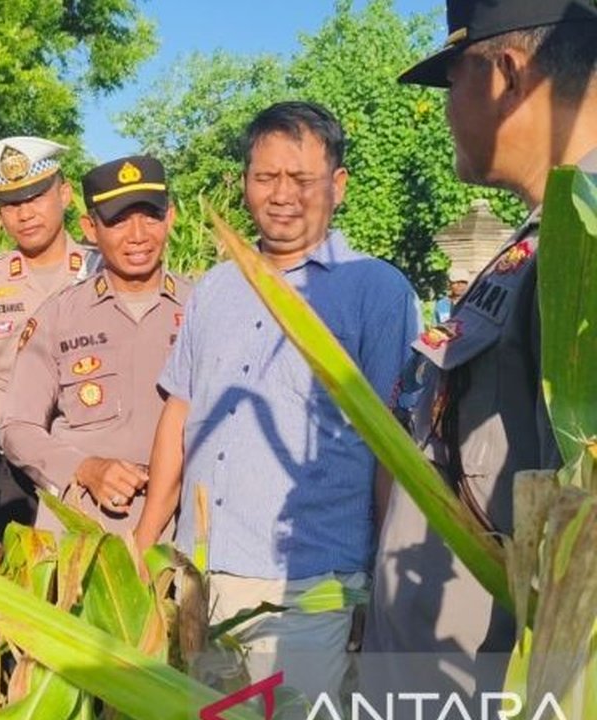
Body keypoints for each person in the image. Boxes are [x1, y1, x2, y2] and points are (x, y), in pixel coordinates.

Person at [131, 101, 421, 704]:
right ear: (245, 183)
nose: (281, 194)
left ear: (337, 185)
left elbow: (391, 449)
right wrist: (145, 539)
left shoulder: (378, 291)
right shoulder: (213, 288)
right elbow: (180, 414)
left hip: (309, 586)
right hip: (199, 578)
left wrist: (382, 582)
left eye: (301, 179)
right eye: (265, 177)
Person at [364, 0, 597, 700]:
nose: (445, 114)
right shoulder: (543, 237)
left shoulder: (583, 240)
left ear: (505, 73)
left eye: (450, 83)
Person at [0, 155, 189, 537]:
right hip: (82, 528)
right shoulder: (58, 316)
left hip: (181, 529)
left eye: (150, 216)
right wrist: (85, 468)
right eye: (118, 220)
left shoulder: (202, 308)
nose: (138, 235)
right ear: (90, 228)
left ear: (170, 217)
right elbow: (17, 428)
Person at [0, 136, 98, 536]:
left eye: (36, 196)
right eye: (11, 204)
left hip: (89, 462)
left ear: (65, 194)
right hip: (5, 472)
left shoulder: (104, 270)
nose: (25, 214)